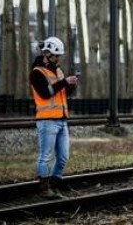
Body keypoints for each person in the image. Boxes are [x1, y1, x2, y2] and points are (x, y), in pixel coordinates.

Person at [30, 36, 78, 198]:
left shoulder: (58, 71)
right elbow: (46, 93)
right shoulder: (37, 73)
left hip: (62, 120)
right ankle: (44, 188)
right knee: (46, 156)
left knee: (63, 157)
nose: (58, 59)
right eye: (56, 55)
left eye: (59, 56)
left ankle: (55, 185)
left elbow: (62, 93)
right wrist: (64, 82)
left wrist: (71, 85)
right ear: (47, 54)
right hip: (47, 120)